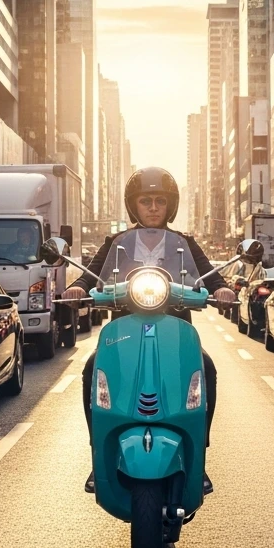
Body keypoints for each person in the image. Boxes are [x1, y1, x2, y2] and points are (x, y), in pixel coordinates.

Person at [63, 166, 236, 492]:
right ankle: (97, 453)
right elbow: (91, 273)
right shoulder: (116, 242)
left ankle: (199, 456)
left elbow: (209, 274)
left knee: (207, 367)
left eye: (160, 200)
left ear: (170, 206)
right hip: (124, 334)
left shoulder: (185, 242)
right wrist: (77, 287)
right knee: (90, 368)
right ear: (134, 205)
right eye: (146, 201)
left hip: (175, 333)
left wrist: (223, 289)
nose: (153, 207)